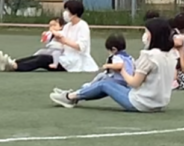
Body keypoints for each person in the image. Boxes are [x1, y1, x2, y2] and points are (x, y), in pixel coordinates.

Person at [49, 18, 177, 112]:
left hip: (142, 102)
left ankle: (70, 97)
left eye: (146, 32)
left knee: (105, 84)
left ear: (154, 35)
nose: (145, 36)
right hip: (160, 103)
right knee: (109, 84)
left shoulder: (149, 56)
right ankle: (76, 94)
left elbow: (134, 83)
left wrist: (122, 70)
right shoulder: (171, 55)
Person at [0, 0, 98, 73]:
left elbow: (81, 47)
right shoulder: (68, 26)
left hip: (75, 62)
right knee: (40, 54)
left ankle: (15, 66)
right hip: (64, 56)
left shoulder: (83, 26)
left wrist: (64, 41)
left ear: (74, 13)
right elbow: (60, 36)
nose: (65, 13)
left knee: (42, 59)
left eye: (67, 10)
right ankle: (12, 63)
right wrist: (51, 34)